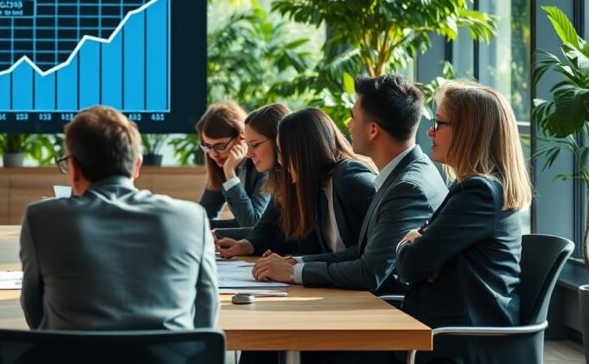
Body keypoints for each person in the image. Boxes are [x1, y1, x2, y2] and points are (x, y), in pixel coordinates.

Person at [19, 105, 218, 330]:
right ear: (137, 166)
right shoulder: (191, 218)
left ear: (73, 168)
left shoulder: (42, 219)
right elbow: (206, 318)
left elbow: (34, 309)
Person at [253, 74, 448, 297]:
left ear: (373, 130)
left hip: (398, 315)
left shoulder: (407, 187)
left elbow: (370, 272)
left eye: (352, 117)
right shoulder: (401, 175)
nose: (347, 124)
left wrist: (294, 272)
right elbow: (363, 251)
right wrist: (294, 263)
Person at [395, 80, 533, 363]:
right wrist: (419, 250)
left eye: (440, 122)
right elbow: (421, 260)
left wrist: (411, 245)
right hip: (455, 331)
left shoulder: (479, 193)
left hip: (462, 342)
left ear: (469, 132)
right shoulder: (479, 189)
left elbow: (412, 263)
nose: (430, 130)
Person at [217, 107, 375, 260]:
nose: (280, 160)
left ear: (303, 150)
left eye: (282, 150)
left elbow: (376, 250)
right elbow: (271, 230)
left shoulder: (349, 178)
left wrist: (295, 265)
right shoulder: (317, 185)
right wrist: (247, 245)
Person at [197, 101, 270, 229]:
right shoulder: (221, 165)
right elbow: (202, 218)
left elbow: (252, 224)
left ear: (241, 139)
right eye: (207, 147)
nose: (213, 155)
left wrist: (230, 174)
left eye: (220, 146)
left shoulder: (263, 164)